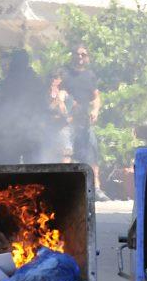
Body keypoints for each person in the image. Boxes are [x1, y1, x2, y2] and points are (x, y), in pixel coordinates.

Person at [62, 45, 108, 200]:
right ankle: (65, 186)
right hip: (68, 123)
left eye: (84, 54)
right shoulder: (65, 73)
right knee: (67, 154)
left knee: (92, 153)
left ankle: (96, 188)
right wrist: (69, 105)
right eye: (78, 54)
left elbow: (96, 97)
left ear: (87, 57)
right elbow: (58, 92)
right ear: (73, 55)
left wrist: (95, 110)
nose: (80, 57)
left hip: (85, 122)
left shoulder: (90, 75)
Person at [0, 48, 46, 163]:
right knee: (29, 165)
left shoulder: (14, 80)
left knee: (19, 164)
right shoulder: (34, 80)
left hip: (23, 129)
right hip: (17, 130)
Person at [46, 68, 74, 163]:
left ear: (61, 80)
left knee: (65, 155)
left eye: (55, 77)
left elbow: (67, 112)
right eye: (51, 77)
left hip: (62, 129)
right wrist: (57, 101)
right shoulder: (47, 93)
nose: (53, 80)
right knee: (50, 157)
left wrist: (60, 101)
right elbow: (47, 109)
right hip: (50, 130)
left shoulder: (64, 93)